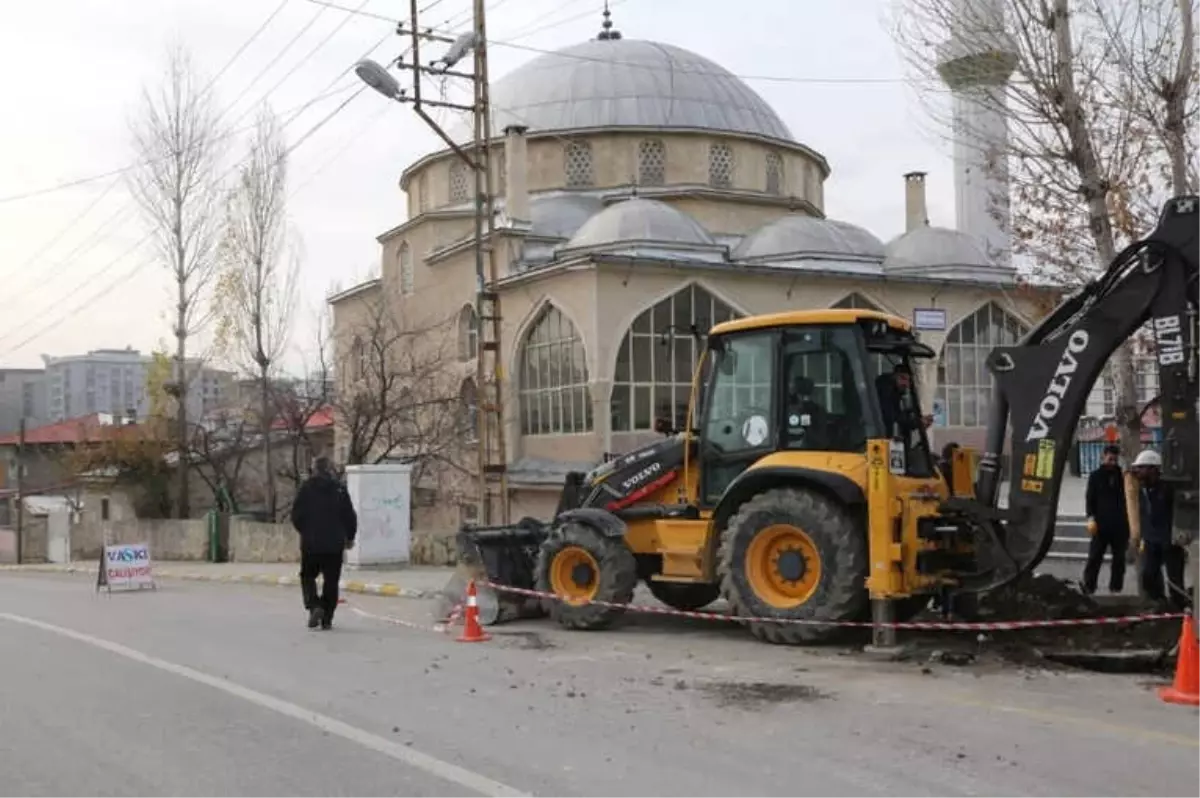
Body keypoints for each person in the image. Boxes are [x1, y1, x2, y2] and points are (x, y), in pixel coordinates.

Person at [291, 457, 358, 630]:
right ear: (330, 469)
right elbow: (349, 516)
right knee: (331, 580)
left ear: (314, 469)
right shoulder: (340, 489)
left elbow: (296, 515)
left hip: (311, 543)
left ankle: (315, 606)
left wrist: (305, 531)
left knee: (307, 576)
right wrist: (350, 537)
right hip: (334, 544)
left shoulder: (306, 488)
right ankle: (327, 618)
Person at [1130, 449, 1188, 609]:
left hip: (1170, 540)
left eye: (1142, 468)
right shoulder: (1143, 489)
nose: (1138, 472)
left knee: (1175, 578)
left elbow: (1178, 512)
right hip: (1151, 539)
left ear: (1153, 469)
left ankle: (1179, 608)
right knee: (1149, 575)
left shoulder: (1168, 489)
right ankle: (1159, 601)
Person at [1082, 444, 1129, 594]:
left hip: (1120, 526)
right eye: (1110, 459)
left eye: (1115, 460)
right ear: (1103, 457)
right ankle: (1089, 586)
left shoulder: (1123, 476)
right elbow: (1090, 498)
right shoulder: (1095, 476)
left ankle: (1115, 587)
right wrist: (1090, 517)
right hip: (1100, 525)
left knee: (1119, 560)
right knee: (1094, 557)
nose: (1112, 463)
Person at [876, 364, 933, 439]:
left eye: (908, 380)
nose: (906, 384)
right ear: (894, 376)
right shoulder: (885, 390)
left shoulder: (898, 393)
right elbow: (891, 416)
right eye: (903, 378)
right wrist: (917, 422)